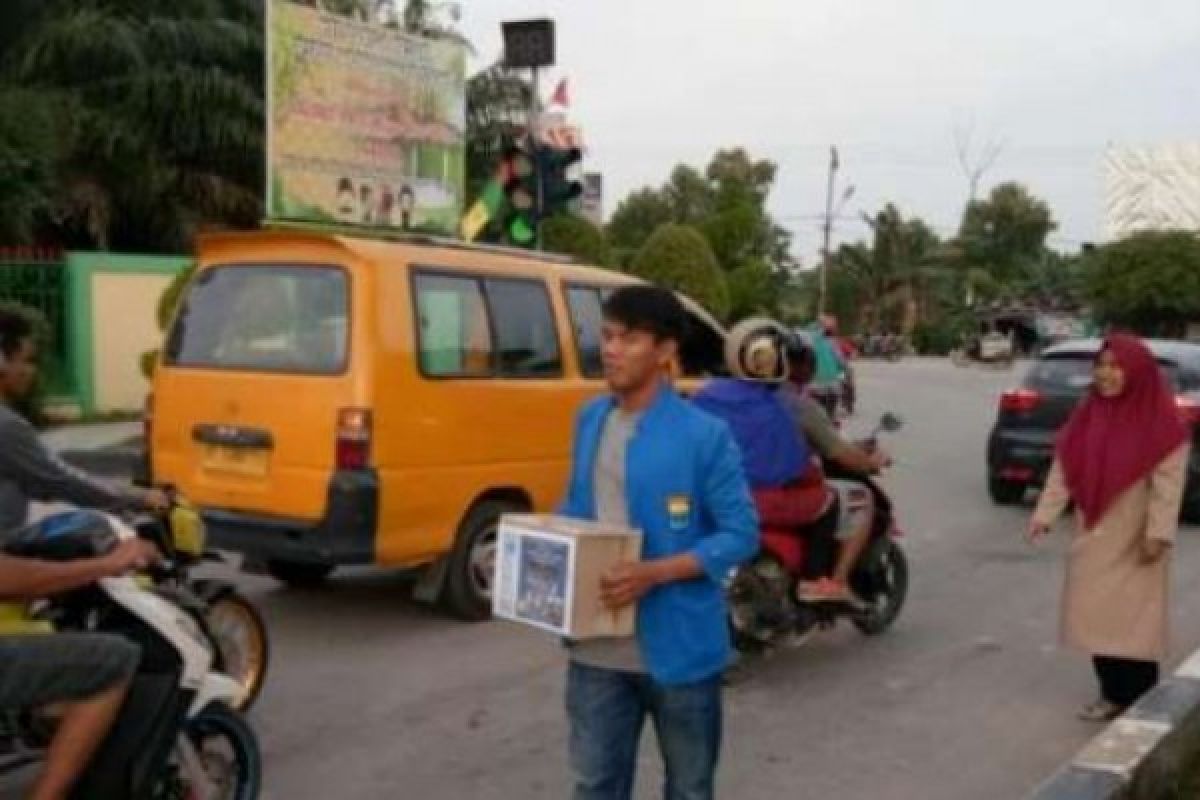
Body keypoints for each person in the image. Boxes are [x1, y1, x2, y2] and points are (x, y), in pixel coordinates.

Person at [560, 286, 758, 800]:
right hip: (596, 649)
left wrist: (654, 573)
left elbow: (740, 534)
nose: (611, 349)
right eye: (606, 336)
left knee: (689, 788)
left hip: (681, 653)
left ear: (666, 351)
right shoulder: (590, 419)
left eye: (628, 338)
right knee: (595, 785)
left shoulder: (704, 434)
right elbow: (577, 509)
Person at [0, 307, 164, 799]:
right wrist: (111, 556)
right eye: (26, 359)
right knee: (112, 661)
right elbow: (61, 479)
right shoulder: (6, 427)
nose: (31, 371)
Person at [1028, 333, 1190, 721]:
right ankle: (1112, 693)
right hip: (1096, 530)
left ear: (1137, 373)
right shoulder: (1090, 412)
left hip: (1137, 535)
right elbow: (1065, 468)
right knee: (1096, 617)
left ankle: (1139, 698)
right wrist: (1045, 514)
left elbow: (1168, 487)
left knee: (1133, 624)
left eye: (1116, 366)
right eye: (1101, 366)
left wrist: (1158, 533)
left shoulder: (1163, 424)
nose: (1106, 374)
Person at [778, 332, 881, 603]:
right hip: (784, 492)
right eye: (809, 361)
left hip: (742, 489)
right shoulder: (800, 405)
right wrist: (870, 463)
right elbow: (839, 453)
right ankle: (834, 582)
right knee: (860, 497)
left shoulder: (743, 397)